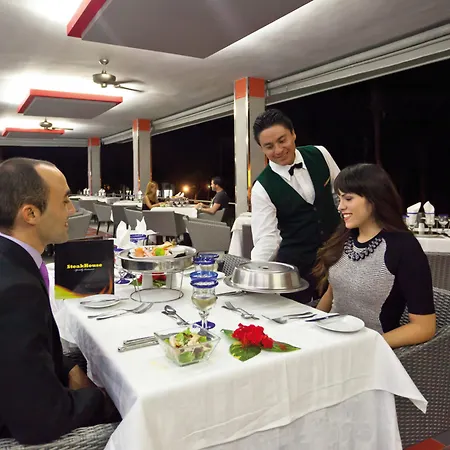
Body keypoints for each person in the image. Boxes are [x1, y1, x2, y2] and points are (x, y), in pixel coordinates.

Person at [0, 158, 117, 444]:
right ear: (30, 213)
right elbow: (38, 420)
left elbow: (24, 350)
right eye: (65, 201)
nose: (72, 210)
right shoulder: (16, 290)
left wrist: (68, 368)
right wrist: (106, 399)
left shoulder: (13, 261)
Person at [314, 163, 436, 348]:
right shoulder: (344, 236)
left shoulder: (404, 247)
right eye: (339, 199)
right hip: (329, 341)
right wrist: (312, 327)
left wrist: (366, 346)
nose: (340, 206)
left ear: (373, 198)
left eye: (348, 198)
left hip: (369, 351)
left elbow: (424, 327)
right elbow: (333, 293)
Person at [251, 109, 341, 303]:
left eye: (282, 140)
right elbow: (266, 238)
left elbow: (341, 196)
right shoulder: (261, 187)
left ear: (293, 134)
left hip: (337, 256)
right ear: (261, 149)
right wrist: (254, 275)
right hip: (296, 269)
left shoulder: (320, 154)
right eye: (269, 146)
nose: (278, 150)